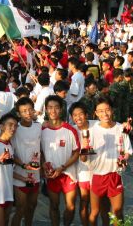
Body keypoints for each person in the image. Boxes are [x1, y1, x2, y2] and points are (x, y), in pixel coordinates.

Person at [87, 96, 133, 225]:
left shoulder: (120, 128)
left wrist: (124, 159)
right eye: (100, 111)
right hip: (97, 176)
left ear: (112, 110)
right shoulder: (92, 130)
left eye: (107, 109)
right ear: (95, 113)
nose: (104, 114)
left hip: (115, 175)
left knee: (118, 211)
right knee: (101, 211)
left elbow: (128, 150)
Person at [41, 95, 80, 226]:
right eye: (50, 107)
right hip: (51, 175)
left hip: (68, 174)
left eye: (56, 107)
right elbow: (40, 152)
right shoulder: (42, 130)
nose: (53, 111)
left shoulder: (70, 130)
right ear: (46, 109)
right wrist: (43, 166)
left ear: (61, 109)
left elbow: (76, 152)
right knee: (54, 205)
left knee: (71, 206)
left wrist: (62, 167)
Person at [11, 97, 41, 226]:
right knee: (20, 208)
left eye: (30, 110)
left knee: (32, 206)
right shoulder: (14, 129)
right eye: (24, 111)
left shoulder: (39, 127)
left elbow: (42, 148)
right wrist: (23, 165)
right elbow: (10, 153)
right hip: (20, 175)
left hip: (36, 174)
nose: (28, 113)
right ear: (18, 113)